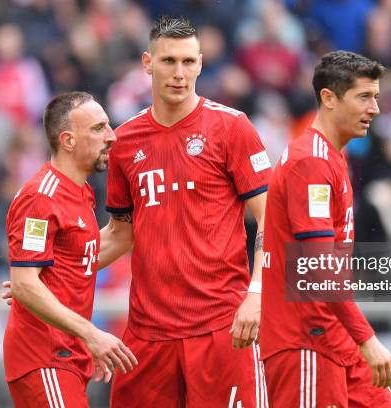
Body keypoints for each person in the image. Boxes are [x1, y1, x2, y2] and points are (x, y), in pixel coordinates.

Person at [101, 16, 271, 407]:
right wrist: (52, 268)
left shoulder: (232, 127)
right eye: (168, 61)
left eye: (188, 62)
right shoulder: (124, 142)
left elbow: (271, 218)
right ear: (147, 63)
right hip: (147, 334)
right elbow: (119, 233)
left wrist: (256, 295)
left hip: (222, 326)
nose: (180, 73)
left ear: (201, 63)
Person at [259, 51, 391, 407]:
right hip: (306, 340)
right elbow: (319, 267)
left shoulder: (331, 157)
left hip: (333, 336)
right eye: (364, 97)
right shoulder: (311, 163)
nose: (375, 109)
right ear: (328, 98)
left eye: (376, 97)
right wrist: (367, 338)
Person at [4, 91, 137, 408]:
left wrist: (37, 281)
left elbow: (79, 256)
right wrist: (93, 335)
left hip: (67, 357)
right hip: (44, 357)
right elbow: (25, 283)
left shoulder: (81, 193)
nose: (111, 136)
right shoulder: (41, 197)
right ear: (68, 140)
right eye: (98, 128)